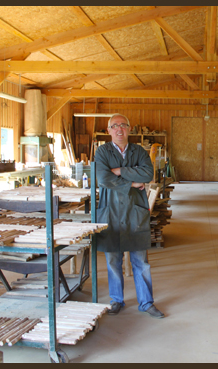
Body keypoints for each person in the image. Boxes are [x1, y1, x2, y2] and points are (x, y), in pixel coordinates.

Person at [95, 114, 164, 318]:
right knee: (112, 260)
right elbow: (103, 178)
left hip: (135, 210)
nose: (119, 129)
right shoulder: (102, 152)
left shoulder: (139, 151)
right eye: (114, 126)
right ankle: (116, 300)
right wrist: (132, 183)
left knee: (140, 261)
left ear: (129, 128)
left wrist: (118, 170)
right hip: (111, 210)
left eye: (123, 125)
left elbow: (147, 174)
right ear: (109, 130)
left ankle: (146, 302)